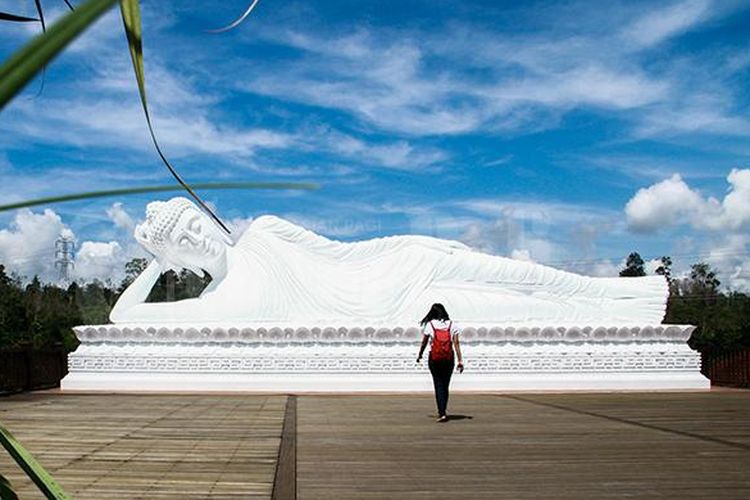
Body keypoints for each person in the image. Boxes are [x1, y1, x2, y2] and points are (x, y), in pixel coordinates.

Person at [416, 303, 464, 422]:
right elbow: (456, 343)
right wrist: (460, 360)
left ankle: (441, 412)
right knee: (445, 385)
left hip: (435, 358)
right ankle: (443, 410)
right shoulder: (453, 325)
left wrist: (420, 354)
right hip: (449, 358)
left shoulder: (430, 325)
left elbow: (424, 342)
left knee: (438, 384)